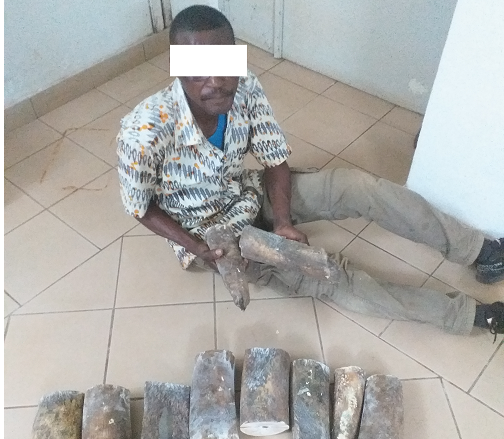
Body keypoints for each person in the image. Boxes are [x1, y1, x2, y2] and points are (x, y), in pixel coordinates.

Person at [117, 5, 503, 339]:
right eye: (198, 72)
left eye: (222, 65)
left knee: (358, 187)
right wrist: (198, 248)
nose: (215, 83)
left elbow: (273, 158)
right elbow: (140, 206)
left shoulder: (245, 86)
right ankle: (469, 315)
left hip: (246, 192)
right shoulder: (143, 130)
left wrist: (283, 221)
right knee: (331, 275)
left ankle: (480, 250)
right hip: (211, 234)